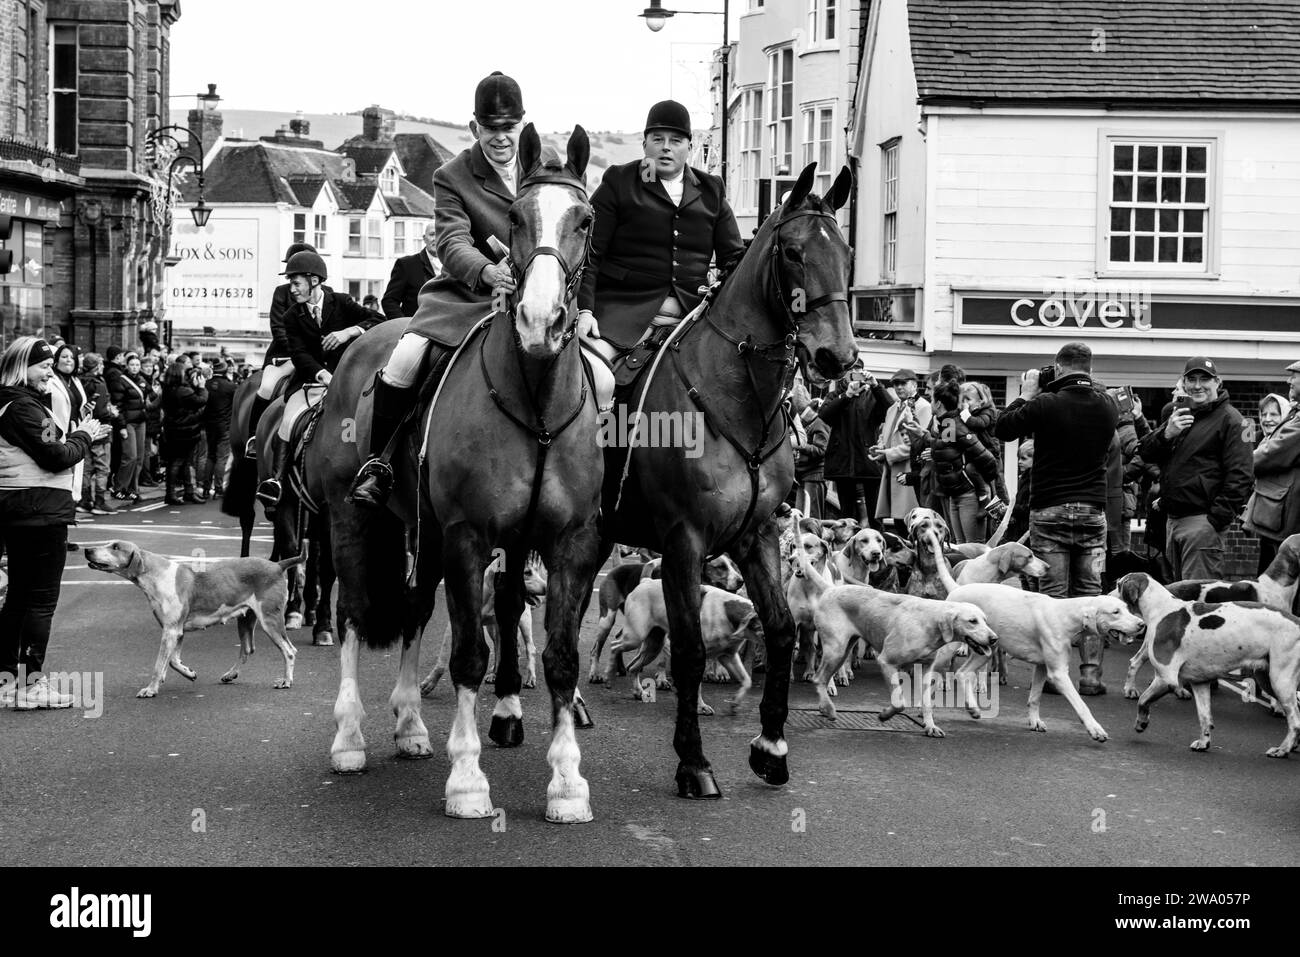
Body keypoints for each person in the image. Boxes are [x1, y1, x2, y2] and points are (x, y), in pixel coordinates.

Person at [349, 71, 527, 508]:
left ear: (522, 126)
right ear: (474, 128)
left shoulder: (544, 167)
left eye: (509, 128)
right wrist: (487, 272)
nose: (501, 138)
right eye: (491, 129)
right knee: (405, 358)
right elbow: (451, 240)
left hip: (537, 296)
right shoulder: (454, 174)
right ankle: (380, 463)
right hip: (469, 298)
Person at [575, 99, 745, 381]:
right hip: (622, 314)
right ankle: (604, 426)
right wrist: (585, 310)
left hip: (693, 318)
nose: (666, 146)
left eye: (676, 140)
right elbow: (589, 254)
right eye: (658, 139)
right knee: (591, 375)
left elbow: (734, 261)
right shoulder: (619, 182)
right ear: (645, 145)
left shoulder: (711, 190)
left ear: (689, 147)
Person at [994, 341, 1117, 695]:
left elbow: (1003, 428)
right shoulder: (1108, 404)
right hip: (1094, 511)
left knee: (1054, 596)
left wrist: (1027, 392)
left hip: (1049, 510)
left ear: (1059, 368)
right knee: (1092, 594)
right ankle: (1091, 675)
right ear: (1090, 370)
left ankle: (1053, 674)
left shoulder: (1046, 403)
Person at [0, 337, 110, 709]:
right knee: (40, 600)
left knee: (18, 596)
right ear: (21, 367)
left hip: (20, 510)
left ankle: (7, 681)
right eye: (43, 366)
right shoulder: (23, 407)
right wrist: (85, 435)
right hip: (40, 512)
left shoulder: (12, 404)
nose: (50, 372)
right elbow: (58, 455)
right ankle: (31, 684)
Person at [257, 250, 382, 505]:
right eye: (291, 284)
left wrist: (349, 332)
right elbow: (300, 355)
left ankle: (370, 475)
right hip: (310, 384)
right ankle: (276, 481)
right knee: (289, 421)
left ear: (313, 280)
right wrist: (323, 374)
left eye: (295, 282)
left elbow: (378, 319)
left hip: (346, 384)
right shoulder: (292, 315)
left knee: (356, 427)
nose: (291, 289)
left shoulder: (342, 302)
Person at [1137, 356, 1252, 582]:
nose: (1197, 386)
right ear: (1184, 382)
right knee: (1179, 600)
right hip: (1173, 521)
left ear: (1217, 382)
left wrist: (1215, 521)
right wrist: (1167, 433)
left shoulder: (1237, 421)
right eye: (1192, 379)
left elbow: (1242, 475)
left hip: (1202, 524)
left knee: (1198, 604)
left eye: (1204, 379)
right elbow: (1144, 452)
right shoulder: (1181, 414)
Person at [247, 242, 322, 450]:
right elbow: (279, 329)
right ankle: (253, 437)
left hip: (316, 359)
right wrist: (299, 352)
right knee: (266, 387)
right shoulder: (282, 292)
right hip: (284, 356)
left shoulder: (328, 294)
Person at [922, 379, 1001, 543]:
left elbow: (989, 460)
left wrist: (975, 479)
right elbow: (944, 448)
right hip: (955, 493)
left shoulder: (954, 424)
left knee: (973, 548)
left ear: (937, 404)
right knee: (960, 546)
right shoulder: (948, 423)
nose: (929, 402)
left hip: (969, 494)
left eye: (931, 400)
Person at [1244, 361, 1300, 576]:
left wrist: (1237, 465)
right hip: (1275, 517)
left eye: (1294, 375)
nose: (1289, 380)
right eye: (1263, 414)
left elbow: (1269, 455)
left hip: (1283, 519)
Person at [820, 366, 894, 527]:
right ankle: (849, 546)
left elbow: (890, 408)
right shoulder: (836, 395)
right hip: (843, 461)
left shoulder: (872, 396)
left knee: (875, 513)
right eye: (852, 374)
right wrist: (847, 395)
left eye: (859, 374)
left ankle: (877, 543)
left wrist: (876, 385)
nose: (855, 378)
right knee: (847, 515)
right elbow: (824, 415)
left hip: (869, 459)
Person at [871, 368, 933, 534]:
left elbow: (920, 442)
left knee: (910, 521)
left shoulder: (923, 407)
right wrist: (880, 449)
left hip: (909, 469)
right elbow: (886, 435)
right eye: (895, 384)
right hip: (891, 471)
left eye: (903, 383)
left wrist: (889, 454)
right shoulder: (892, 408)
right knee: (897, 522)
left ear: (914, 385)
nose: (898, 387)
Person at [161, 361, 208, 505]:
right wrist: (201, 387)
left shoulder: (168, 389)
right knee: (179, 462)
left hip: (173, 429)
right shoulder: (183, 391)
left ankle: (187, 492)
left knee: (181, 462)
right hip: (184, 431)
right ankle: (172, 494)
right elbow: (200, 401)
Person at [49, 344, 88, 512]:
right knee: (59, 473)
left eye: (72, 357)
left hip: (74, 431)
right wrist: (49, 437)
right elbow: (46, 409)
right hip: (55, 433)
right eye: (64, 356)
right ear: (56, 360)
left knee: (73, 474)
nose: (68, 360)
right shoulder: (50, 379)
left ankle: (69, 506)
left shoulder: (76, 381)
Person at [77, 353, 118, 515]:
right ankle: (100, 502)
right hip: (100, 429)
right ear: (97, 366)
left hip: (85, 428)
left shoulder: (79, 381)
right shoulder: (99, 383)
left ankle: (84, 500)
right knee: (102, 467)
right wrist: (111, 413)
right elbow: (101, 410)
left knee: (86, 467)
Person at [110, 352, 150, 503]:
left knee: (139, 457)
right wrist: (121, 426)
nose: (135, 367)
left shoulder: (142, 380)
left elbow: (149, 397)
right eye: (132, 365)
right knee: (130, 456)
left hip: (141, 422)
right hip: (127, 423)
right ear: (126, 366)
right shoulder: (120, 381)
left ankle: (133, 490)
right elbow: (117, 406)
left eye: (137, 365)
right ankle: (118, 487)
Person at [382, 222, 443, 319]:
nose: (436, 238)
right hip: (415, 330)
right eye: (432, 234)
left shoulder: (454, 265)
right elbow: (389, 301)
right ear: (424, 238)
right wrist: (403, 326)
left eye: (440, 234)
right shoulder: (406, 264)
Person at [201, 357, 237, 498]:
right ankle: (218, 488)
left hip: (208, 425)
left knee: (210, 456)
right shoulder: (231, 386)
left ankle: (205, 488)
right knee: (221, 458)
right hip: (224, 426)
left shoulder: (206, 384)